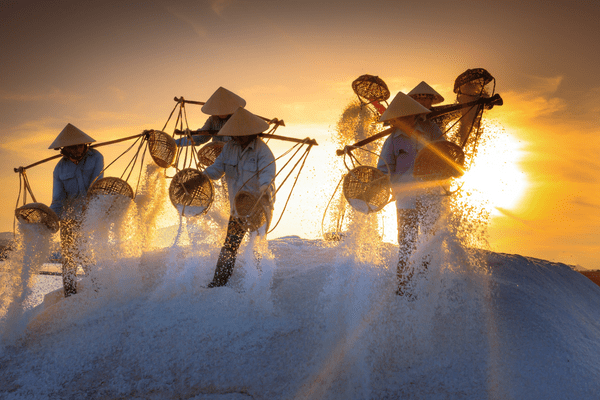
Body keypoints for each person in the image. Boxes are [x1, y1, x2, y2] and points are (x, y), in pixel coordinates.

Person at [203, 107, 276, 287]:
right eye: (235, 134)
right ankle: (218, 283)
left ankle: (258, 285)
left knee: (256, 246)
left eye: (241, 134)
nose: (237, 138)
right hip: (237, 208)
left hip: (259, 207)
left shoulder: (263, 152)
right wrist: (202, 177)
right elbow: (217, 168)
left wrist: (264, 190)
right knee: (229, 246)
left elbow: (267, 176)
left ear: (253, 133)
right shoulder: (229, 148)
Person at [376, 92, 435, 296]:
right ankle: (402, 285)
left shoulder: (429, 131)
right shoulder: (392, 141)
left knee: (430, 239)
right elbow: (383, 169)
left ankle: (426, 282)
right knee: (406, 242)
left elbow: (446, 154)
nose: (398, 122)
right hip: (405, 200)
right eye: (396, 119)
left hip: (431, 195)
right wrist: (382, 186)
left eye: (402, 118)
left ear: (412, 116)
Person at [49, 123, 104, 297]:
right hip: (69, 217)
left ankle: (99, 291)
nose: (79, 149)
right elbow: (58, 200)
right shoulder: (59, 169)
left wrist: (87, 207)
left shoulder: (96, 157)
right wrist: (50, 218)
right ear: (65, 148)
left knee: (87, 254)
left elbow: (97, 185)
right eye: (74, 147)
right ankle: (70, 296)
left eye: (81, 145)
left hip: (91, 214)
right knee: (69, 259)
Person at [407, 81, 446, 236]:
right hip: (408, 183)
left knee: (430, 229)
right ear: (414, 101)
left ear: (431, 102)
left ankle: (427, 259)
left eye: (427, 99)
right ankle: (406, 259)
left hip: (430, 181)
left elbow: (443, 150)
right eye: (419, 99)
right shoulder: (404, 122)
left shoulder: (433, 127)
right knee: (407, 231)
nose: (423, 102)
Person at [175, 87, 246, 146]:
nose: (221, 112)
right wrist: (175, 143)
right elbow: (201, 137)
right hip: (219, 155)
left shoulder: (239, 118)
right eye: (219, 110)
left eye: (224, 109)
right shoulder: (212, 120)